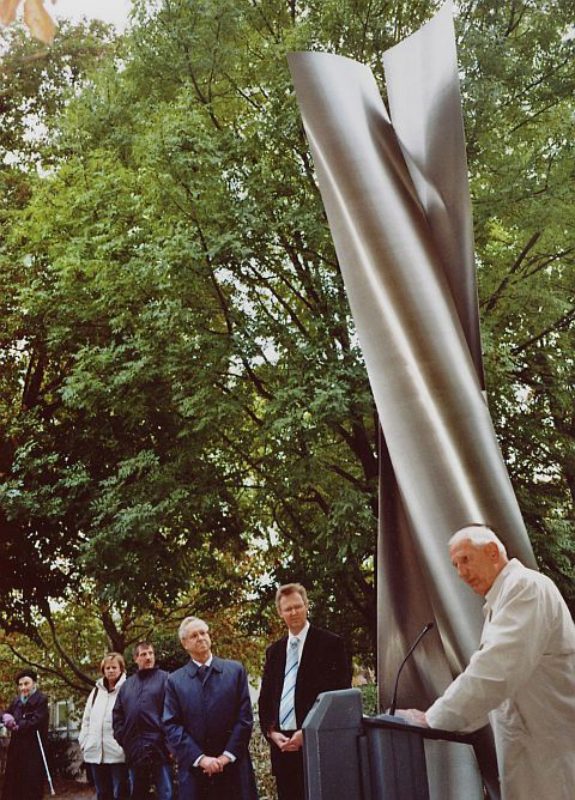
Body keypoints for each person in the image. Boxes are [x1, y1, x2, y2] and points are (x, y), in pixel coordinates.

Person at [398, 524, 575, 800]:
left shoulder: (525, 587)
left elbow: (495, 670)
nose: (460, 573)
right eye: (455, 565)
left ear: (493, 552)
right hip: (533, 752)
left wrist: (434, 718)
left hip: (549, 754)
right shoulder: (505, 597)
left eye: (465, 559)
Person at [258, 583, 351, 800]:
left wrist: (307, 731)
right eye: (288, 609)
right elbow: (265, 700)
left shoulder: (330, 644)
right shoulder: (274, 652)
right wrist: (272, 733)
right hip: (283, 747)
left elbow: (339, 696)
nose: (294, 613)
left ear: (307, 606)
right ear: (280, 613)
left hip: (317, 743)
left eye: (298, 606)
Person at [163, 616, 259, 800]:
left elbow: (244, 718)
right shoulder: (175, 681)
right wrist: (201, 759)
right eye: (193, 635)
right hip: (196, 772)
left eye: (203, 633)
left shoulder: (235, 671)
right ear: (185, 643)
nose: (200, 638)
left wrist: (226, 756)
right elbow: (171, 725)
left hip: (234, 768)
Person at [112, 641, 173, 800]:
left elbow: (173, 713)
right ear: (135, 658)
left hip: (160, 748)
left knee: (165, 792)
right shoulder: (127, 685)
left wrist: (169, 744)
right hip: (135, 749)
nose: (148, 657)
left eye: (151, 653)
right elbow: (117, 714)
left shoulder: (166, 679)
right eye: (143, 654)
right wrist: (124, 739)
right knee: (138, 793)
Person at [79, 652, 128, 800]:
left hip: (118, 753)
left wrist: (124, 745)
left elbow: (131, 720)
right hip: (95, 752)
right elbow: (86, 719)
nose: (111, 670)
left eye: (114, 667)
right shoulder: (95, 692)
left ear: (121, 669)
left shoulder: (127, 689)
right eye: (107, 668)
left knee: (120, 793)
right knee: (102, 794)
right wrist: (84, 742)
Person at [1, 669, 49, 800]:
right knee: (13, 786)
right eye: (20, 685)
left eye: (26, 683)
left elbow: (36, 721)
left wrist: (17, 724)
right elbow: (5, 713)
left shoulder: (41, 700)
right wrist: (5, 716)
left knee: (31, 786)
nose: (23, 688)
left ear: (34, 683)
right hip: (16, 750)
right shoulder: (16, 701)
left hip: (33, 750)